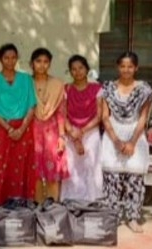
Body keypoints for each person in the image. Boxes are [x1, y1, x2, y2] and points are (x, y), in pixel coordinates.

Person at [99, 52, 152, 233]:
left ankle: (133, 217)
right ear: (117, 67)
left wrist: (132, 142)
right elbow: (105, 117)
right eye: (122, 66)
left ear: (136, 68)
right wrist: (116, 140)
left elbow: (143, 118)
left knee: (134, 178)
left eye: (130, 66)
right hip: (112, 134)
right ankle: (111, 216)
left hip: (135, 134)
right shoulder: (107, 88)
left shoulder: (144, 90)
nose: (126, 70)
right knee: (111, 178)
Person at [0, 43, 37, 205]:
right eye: (6, 58)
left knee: (22, 164)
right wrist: (9, 128)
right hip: (1, 128)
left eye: (13, 58)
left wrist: (22, 128)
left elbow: (31, 105)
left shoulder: (26, 79)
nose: (10, 61)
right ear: (0, 59)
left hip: (24, 129)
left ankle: (22, 204)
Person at [61, 54, 103, 202]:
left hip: (90, 132)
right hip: (71, 132)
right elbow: (63, 114)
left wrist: (82, 131)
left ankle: (92, 201)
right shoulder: (66, 89)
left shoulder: (97, 88)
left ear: (87, 69)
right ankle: (70, 202)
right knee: (72, 167)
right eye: (73, 69)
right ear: (70, 71)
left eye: (81, 68)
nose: (77, 71)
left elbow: (99, 116)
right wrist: (73, 133)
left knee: (91, 165)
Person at [30, 48, 67, 202]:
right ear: (31, 63)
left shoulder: (57, 84)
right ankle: (37, 206)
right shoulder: (26, 83)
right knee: (34, 172)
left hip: (52, 131)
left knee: (53, 170)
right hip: (31, 130)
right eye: (38, 61)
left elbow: (61, 111)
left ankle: (53, 207)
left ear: (50, 64)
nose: (42, 65)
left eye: (46, 62)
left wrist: (62, 136)